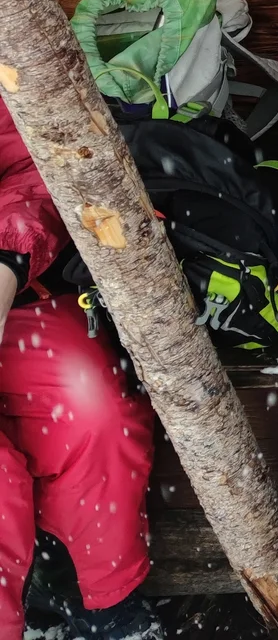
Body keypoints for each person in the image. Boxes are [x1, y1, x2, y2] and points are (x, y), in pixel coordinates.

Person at [0, 97, 161, 640]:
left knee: (92, 405)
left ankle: (98, 596)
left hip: (17, 291)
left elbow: (32, 155)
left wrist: (8, 258)